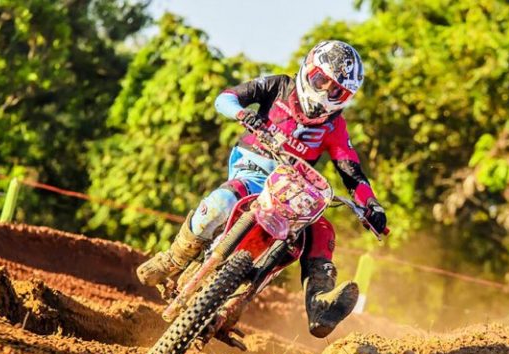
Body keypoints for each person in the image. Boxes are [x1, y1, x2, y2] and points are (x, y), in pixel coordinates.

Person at [136, 40, 387, 338]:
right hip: (252, 174)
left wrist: (371, 205)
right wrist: (243, 114)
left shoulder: (335, 126)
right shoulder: (278, 86)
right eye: (321, 81)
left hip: (294, 193)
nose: (324, 93)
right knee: (220, 202)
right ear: (308, 69)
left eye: (336, 92)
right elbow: (225, 98)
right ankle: (174, 258)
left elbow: (351, 171)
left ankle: (320, 303)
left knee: (322, 230)